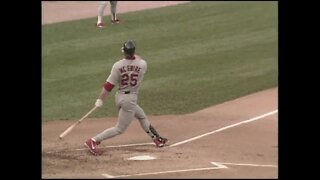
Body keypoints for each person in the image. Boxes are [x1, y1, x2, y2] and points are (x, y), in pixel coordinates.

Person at [84, 40, 168, 156]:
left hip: (120, 97)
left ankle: (156, 139)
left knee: (141, 116)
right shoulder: (142, 64)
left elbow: (108, 86)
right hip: (130, 100)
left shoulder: (117, 66)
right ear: (134, 52)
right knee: (119, 129)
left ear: (124, 52)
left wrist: (100, 100)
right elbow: (137, 58)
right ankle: (93, 140)